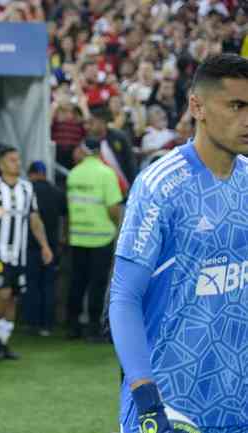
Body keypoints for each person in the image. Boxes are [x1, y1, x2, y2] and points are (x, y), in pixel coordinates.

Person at [110, 53, 248, 433]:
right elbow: (124, 297)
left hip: (237, 401)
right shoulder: (160, 185)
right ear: (197, 106)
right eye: (236, 105)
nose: (247, 119)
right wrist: (144, 393)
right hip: (171, 403)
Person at [0, 147, 53, 359]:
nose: (17, 164)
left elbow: (34, 220)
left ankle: (2, 343)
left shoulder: (27, 189)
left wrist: (45, 245)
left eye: (18, 160)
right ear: (1, 164)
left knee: (13, 299)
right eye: (12, 160)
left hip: (19, 255)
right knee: (3, 293)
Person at [66, 137, 122, 341]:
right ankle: (92, 329)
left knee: (77, 282)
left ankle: (72, 326)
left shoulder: (74, 173)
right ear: (99, 152)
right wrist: (116, 225)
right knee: (97, 285)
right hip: (101, 237)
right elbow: (114, 207)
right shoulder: (106, 174)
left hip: (78, 237)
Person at [23, 161, 66, 337]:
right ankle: (48, 324)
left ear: (31, 173)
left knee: (31, 285)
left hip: (29, 245)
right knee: (48, 285)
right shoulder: (57, 192)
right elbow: (65, 217)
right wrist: (63, 239)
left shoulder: (25, 191)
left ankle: (32, 323)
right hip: (52, 245)